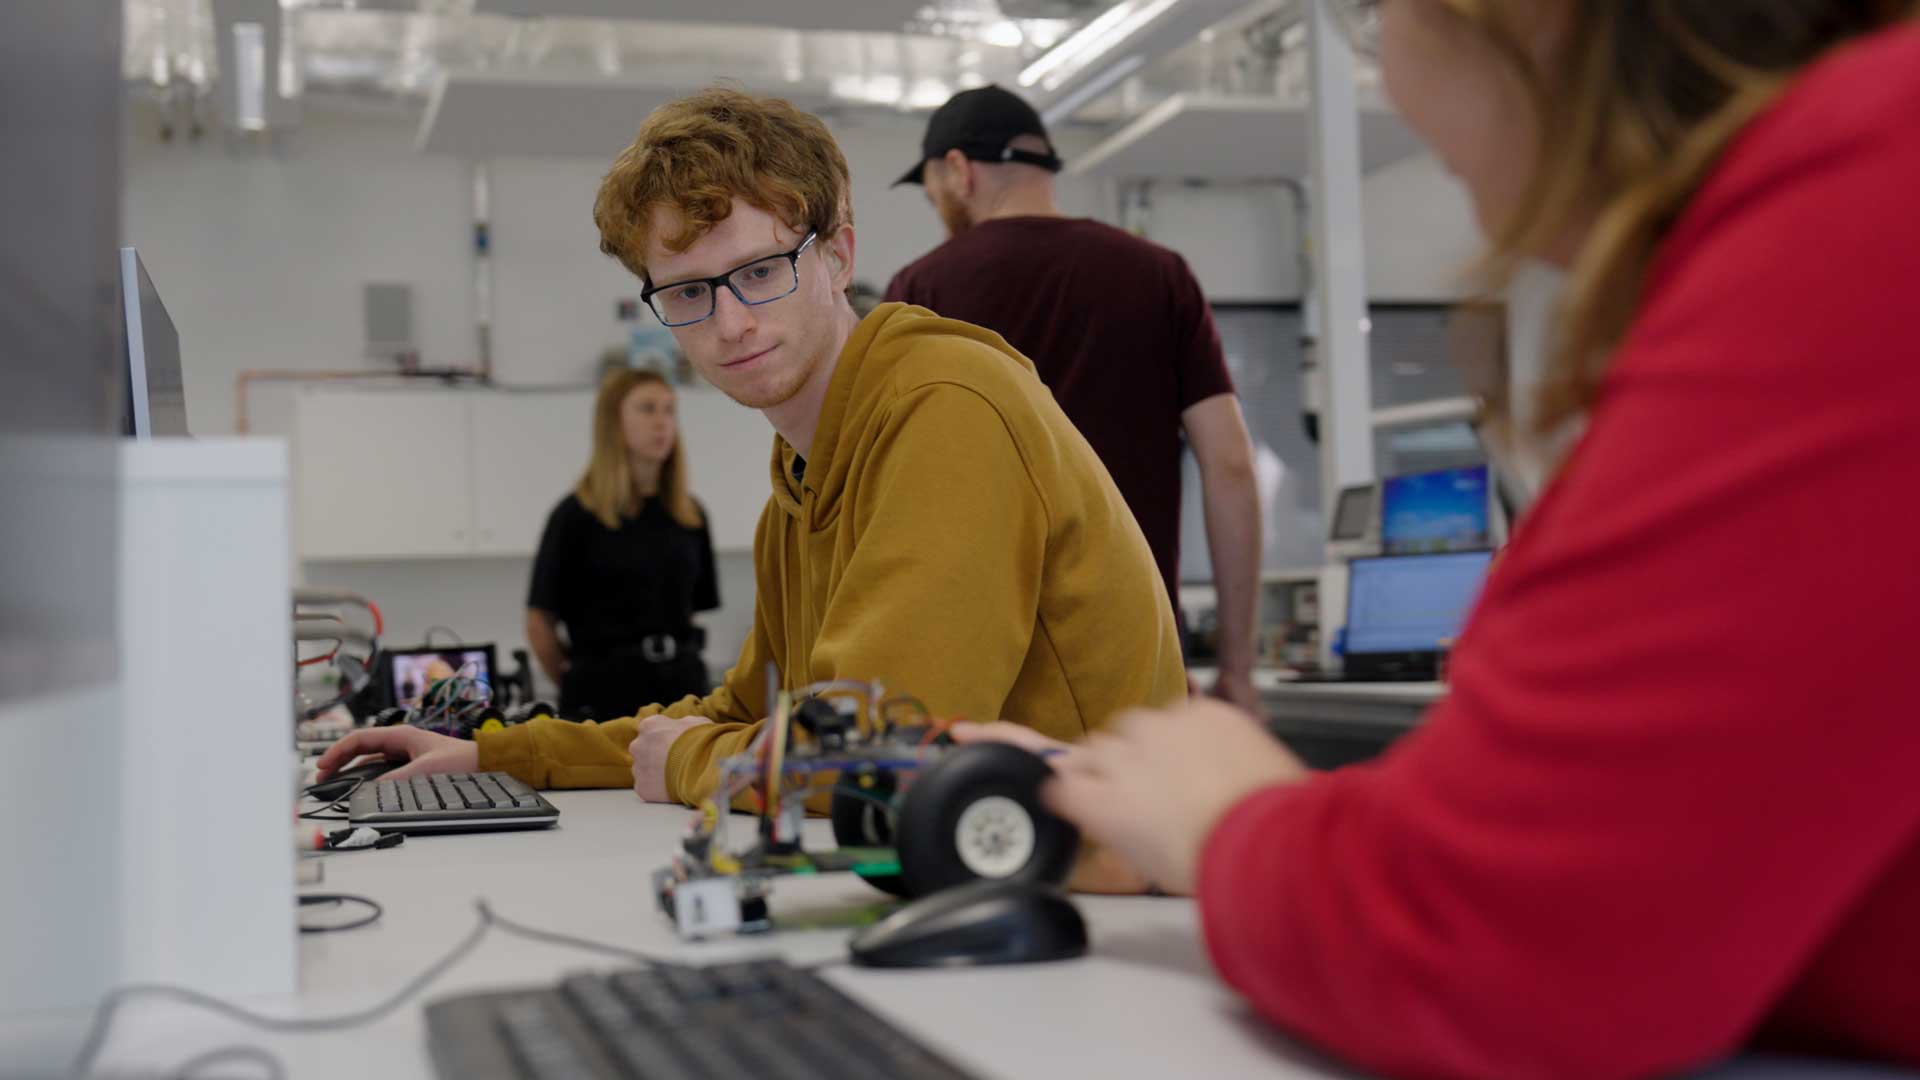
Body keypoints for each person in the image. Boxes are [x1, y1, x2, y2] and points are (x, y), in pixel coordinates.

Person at [963, 1, 1920, 1076]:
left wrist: (1232, 827)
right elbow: (1637, 836)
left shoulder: (1862, 206)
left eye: (1376, 19)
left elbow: (1527, 947)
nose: (1387, 69)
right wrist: (1186, 799)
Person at [316, 88, 1185, 823]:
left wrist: (696, 764)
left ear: (838, 256)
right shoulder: (802, 484)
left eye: (762, 271)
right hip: (975, 875)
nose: (731, 323)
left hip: (1094, 896)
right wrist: (497, 752)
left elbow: (879, 752)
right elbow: (742, 712)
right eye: (689, 293)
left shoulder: (944, 406)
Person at [886, 85, 1264, 714]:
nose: (937, 206)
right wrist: (1238, 670)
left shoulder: (922, 290)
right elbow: (1229, 464)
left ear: (958, 170)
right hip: (1140, 663)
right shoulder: (1161, 274)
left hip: (989, 675)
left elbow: (898, 493)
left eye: (931, 191)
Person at [525, 368, 719, 720]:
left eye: (669, 410)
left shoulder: (689, 515)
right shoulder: (575, 517)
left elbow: (687, 611)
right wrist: (578, 683)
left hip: (683, 693)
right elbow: (540, 624)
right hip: (602, 698)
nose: (662, 422)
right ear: (613, 422)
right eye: (647, 409)